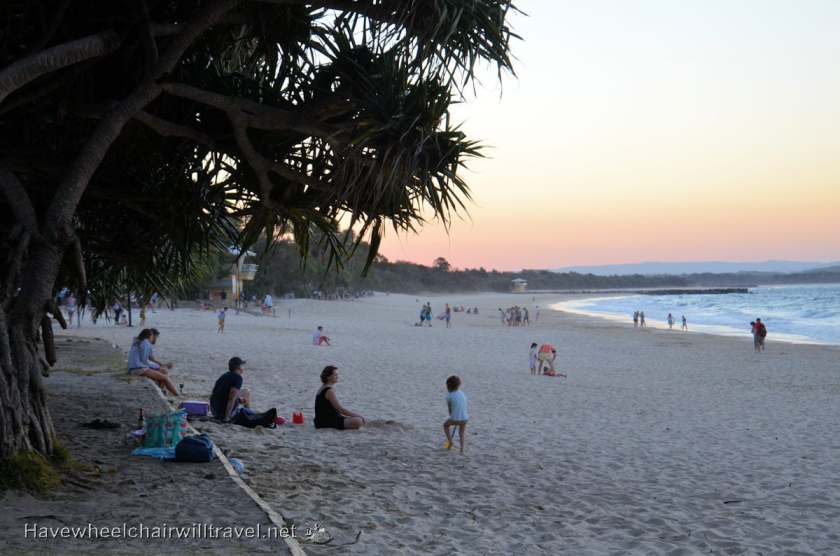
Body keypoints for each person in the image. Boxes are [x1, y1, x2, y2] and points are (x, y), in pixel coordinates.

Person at [210, 357, 276, 426]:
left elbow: (218, 394)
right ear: (238, 367)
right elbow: (231, 398)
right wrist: (227, 417)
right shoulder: (238, 378)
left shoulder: (224, 376)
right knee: (246, 393)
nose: (243, 368)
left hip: (215, 410)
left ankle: (248, 412)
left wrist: (238, 399)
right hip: (223, 412)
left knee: (244, 393)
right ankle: (249, 413)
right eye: (242, 366)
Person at [127, 329, 178, 396]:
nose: (153, 338)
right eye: (153, 336)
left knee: (163, 371)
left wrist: (161, 366)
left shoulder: (138, 341)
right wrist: (161, 366)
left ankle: (161, 391)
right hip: (138, 369)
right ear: (150, 336)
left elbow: (147, 359)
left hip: (135, 367)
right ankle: (177, 395)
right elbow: (144, 361)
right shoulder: (145, 343)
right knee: (165, 377)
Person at [314, 366, 365, 430]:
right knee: (358, 421)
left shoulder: (322, 388)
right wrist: (357, 415)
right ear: (328, 377)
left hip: (321, 421)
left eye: (337, 375)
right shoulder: (329, 391)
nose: (337, 377)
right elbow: (340, 409)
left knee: (357, 420)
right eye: (335, 375)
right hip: (326, 422)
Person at [443, 375, 469, 453]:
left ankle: (450, 442)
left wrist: (452, 416)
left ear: (448, 386)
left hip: (455, 418)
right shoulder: (462, 394)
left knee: (445, 425)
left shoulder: (449, 396)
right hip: (465, 418)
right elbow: (464, 405)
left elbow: (450, 410)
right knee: (461, 433)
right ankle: (461, 449)